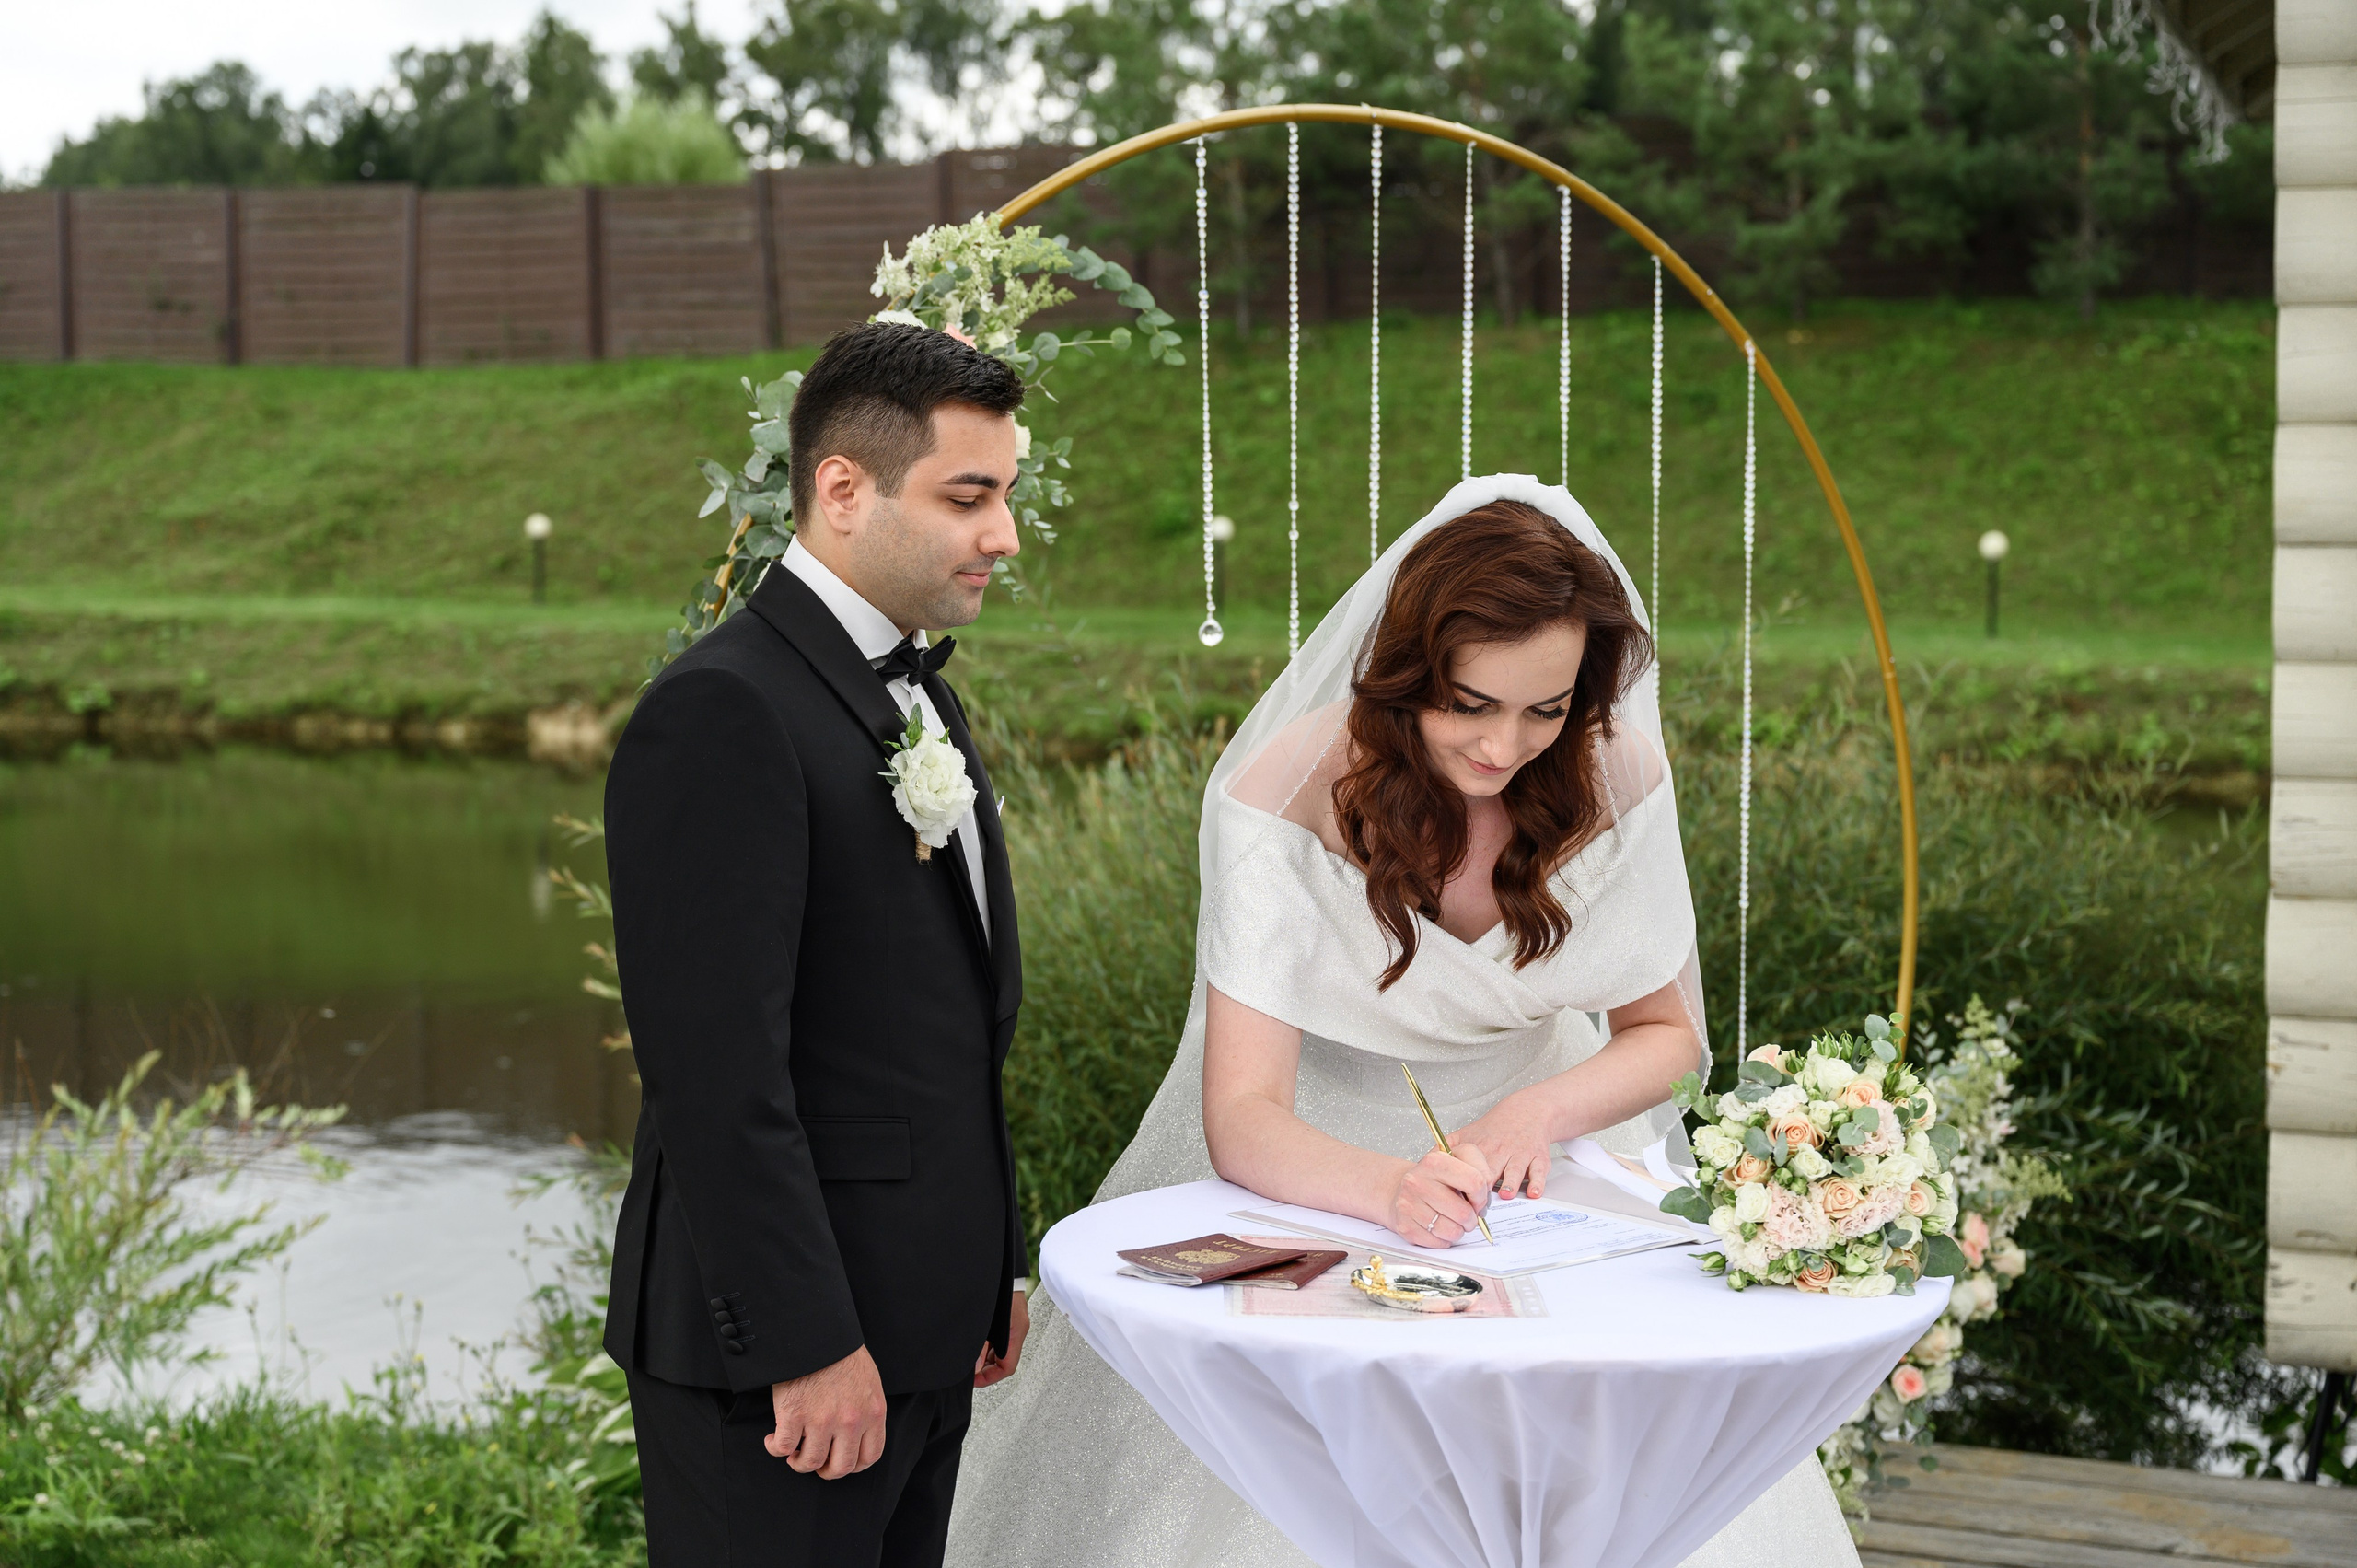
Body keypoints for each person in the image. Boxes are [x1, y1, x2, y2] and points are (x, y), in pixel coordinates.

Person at [945, 475, 1860, 1567]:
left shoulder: (1611, 769)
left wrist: (1539, 1111)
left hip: (1541, 1164)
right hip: (1312, 1165)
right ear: (1404, 672)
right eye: (1470, 705)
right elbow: (1242, 1111)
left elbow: (1665, 1035)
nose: (1504, 745)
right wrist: (1390, 1188)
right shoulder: (1286, 788)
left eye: (1546, 707)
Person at [601, 322, 1030, 1567]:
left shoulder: (914, 690)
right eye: (970, 496)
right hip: (791, 1372)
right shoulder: (724, 709)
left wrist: (982, 1262)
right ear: (843, 489)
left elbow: (934, 1025)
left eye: (1003, 495)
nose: (1002, 533)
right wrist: (805, 1341)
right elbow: (719, 1076)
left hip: (921, 1327)